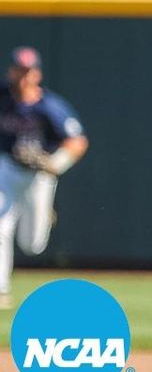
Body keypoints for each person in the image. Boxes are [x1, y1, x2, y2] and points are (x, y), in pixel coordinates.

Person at [0, 47, 89, 311]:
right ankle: (1, 290)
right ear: (11, 72)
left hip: (39, 176)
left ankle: (43, 213)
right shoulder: (3, 98)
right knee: (1, 225)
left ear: (36, 74)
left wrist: (54, 163)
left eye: (28, 71)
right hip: (7, 168)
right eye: (19, 70)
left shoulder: (49, 106)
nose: (23, 77)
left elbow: (78, 141)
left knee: (33, 244)